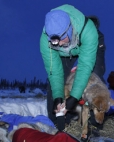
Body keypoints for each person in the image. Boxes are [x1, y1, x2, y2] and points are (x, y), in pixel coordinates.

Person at [40, 4, 106, 132]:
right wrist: (58, 96)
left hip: (86, 42)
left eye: (60, 38)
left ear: (69, 29)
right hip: (66, 51)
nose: (58, 43)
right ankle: (57, 123)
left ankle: (92, 125)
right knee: (57, 84)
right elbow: (55, 72)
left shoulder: (88, 32)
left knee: (95, 77)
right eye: (53, 41)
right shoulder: (46, 41)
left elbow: (85, 67)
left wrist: (75, 96)